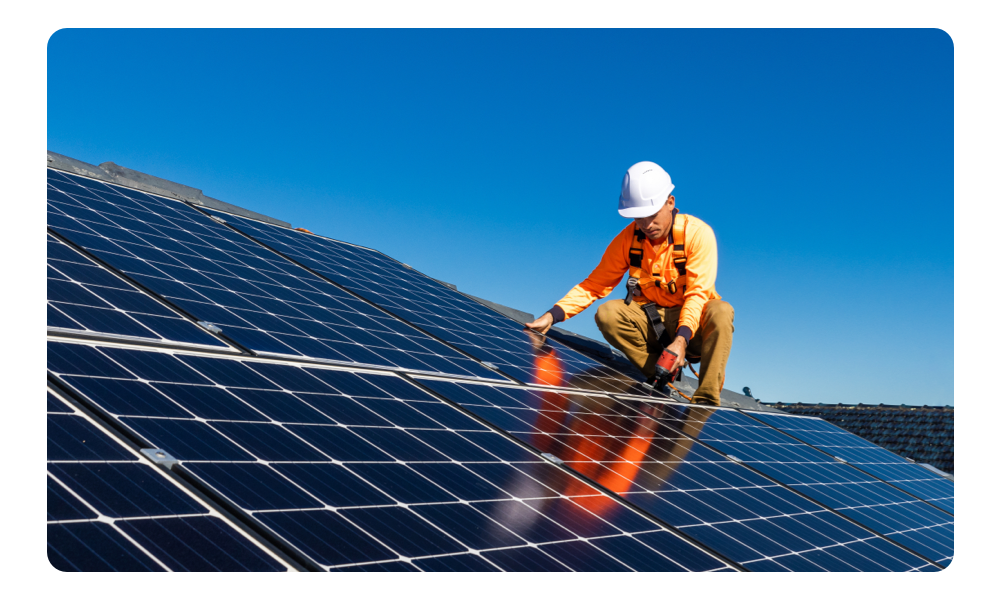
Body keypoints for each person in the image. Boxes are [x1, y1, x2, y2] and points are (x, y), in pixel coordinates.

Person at [524, 161, 734, 405]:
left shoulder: (697, 234)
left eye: (652, 216)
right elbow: (594, 284)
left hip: (693, 328)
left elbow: (698, 294)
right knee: (608, 313)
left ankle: (706, 400)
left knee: (721, 311)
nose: (646, 225)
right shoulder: (628, 239)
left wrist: (681, 340)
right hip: (651, 320)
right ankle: (663, 374)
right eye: (639, 218)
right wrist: (552, 315)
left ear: (670, 202)